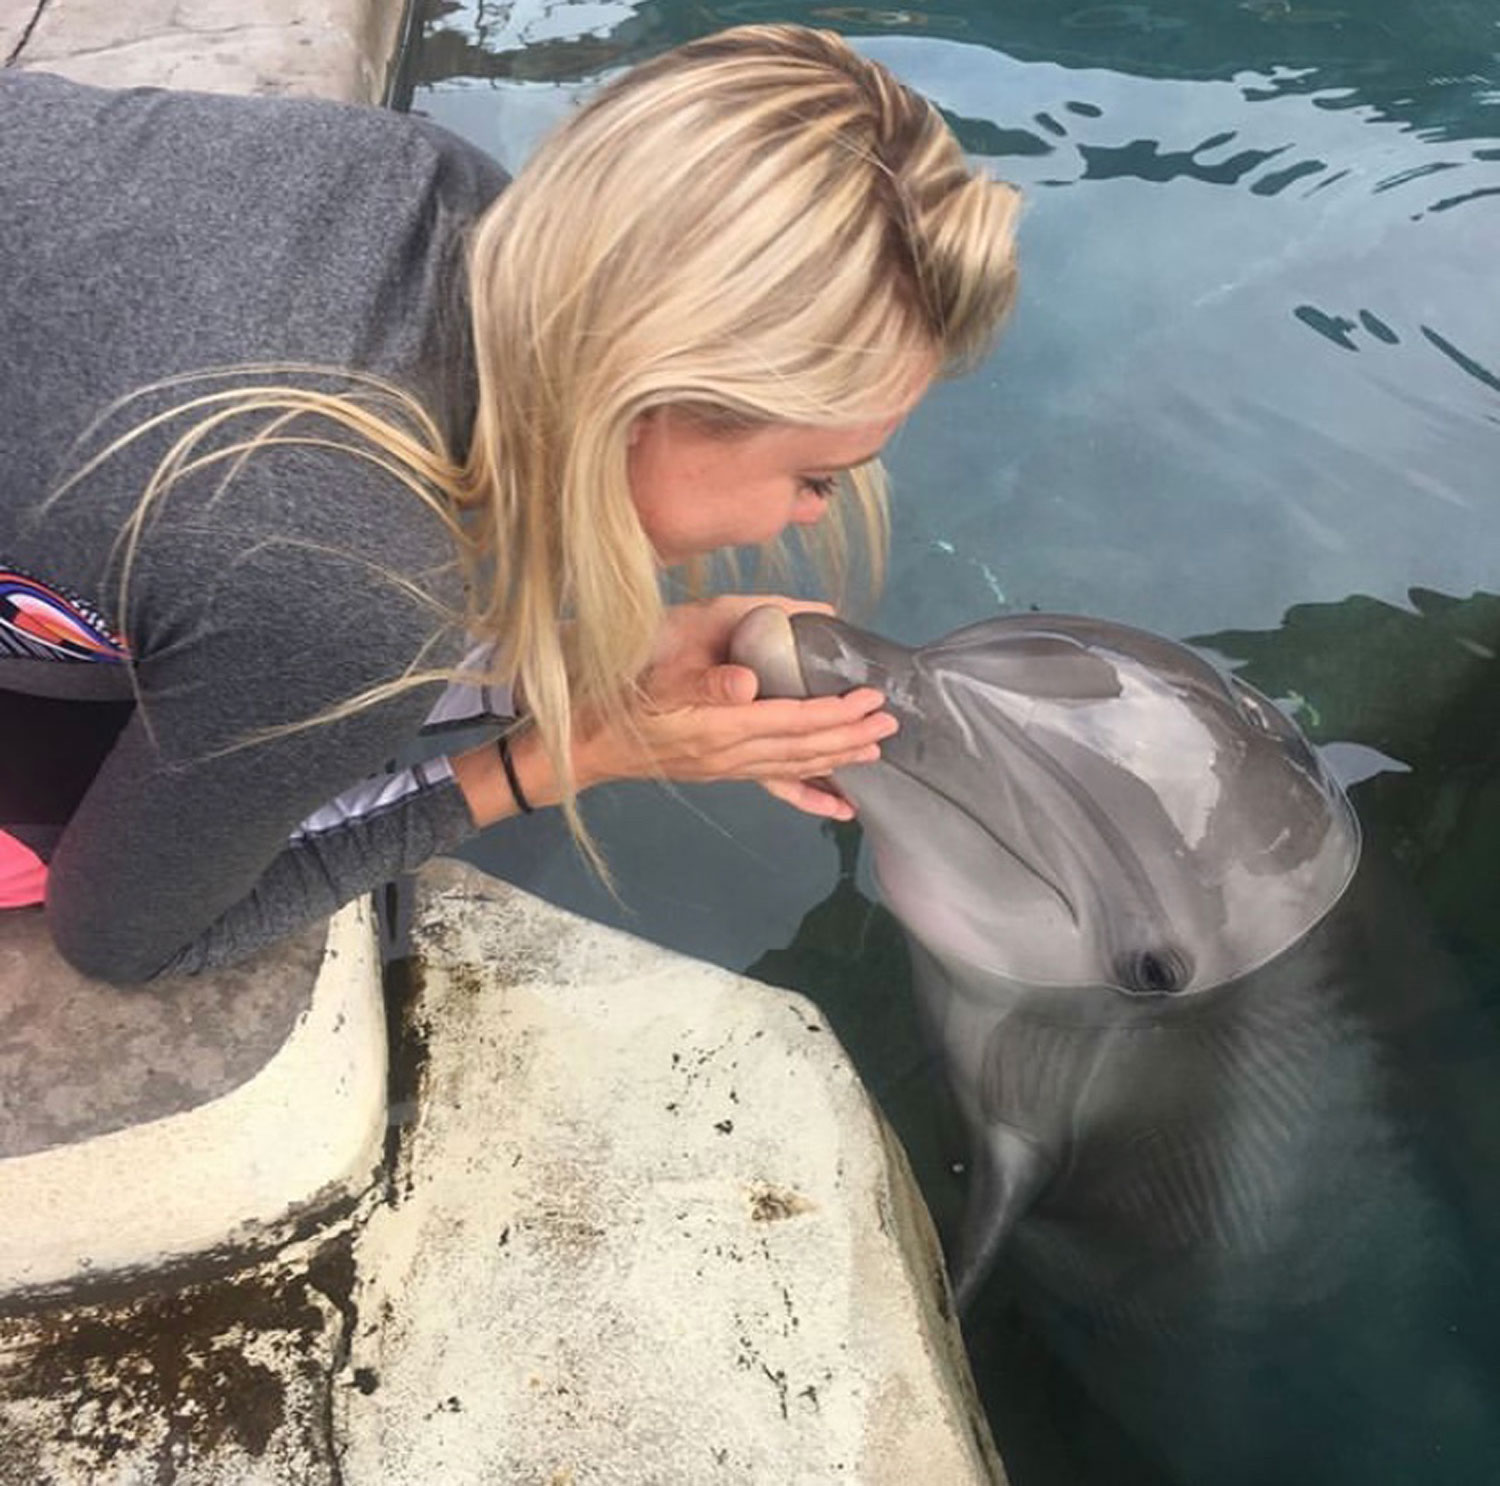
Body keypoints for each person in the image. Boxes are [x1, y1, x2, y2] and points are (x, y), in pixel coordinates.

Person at [0, 25, 1020, 984]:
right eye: (817, 478)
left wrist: (574, 663)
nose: (808, 518)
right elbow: (128, 936)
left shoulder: (423, 181)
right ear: (644, 406)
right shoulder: (350, 577)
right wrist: (568, 753)